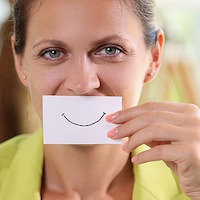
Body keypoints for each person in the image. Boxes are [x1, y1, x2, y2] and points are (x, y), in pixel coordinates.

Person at [0, 0, 200, 199]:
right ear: (20, 63)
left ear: (154, 58)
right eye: (52, 53)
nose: (82, 84)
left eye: (110, 50)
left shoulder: (192, 183)